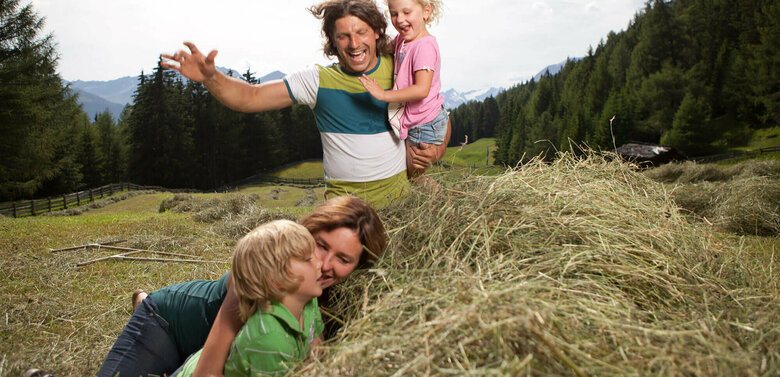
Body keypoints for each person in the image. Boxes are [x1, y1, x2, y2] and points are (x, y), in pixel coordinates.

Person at [161, 0, 451, 208]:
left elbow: (436, 112)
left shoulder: (399, 65)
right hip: (345, 212)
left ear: (377, 32)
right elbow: (250, 98)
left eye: (361, 32)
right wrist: (211, 78)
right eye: (343, 36)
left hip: (400, 204)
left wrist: (437, 148)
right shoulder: (316, 81)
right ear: (333, 42)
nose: (354, 44)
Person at [96, 196, 387, 377]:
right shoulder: (256, 280)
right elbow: (207, 372)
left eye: (344, 259)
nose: (324, 264)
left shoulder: (312, 291)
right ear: (305, 232)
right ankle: (144, 306)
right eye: (320, 245)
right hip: (169, 324)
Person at [172, 220, 324, 377]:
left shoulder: (308, 302)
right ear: (276, 280)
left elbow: (317, 350)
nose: (320, 263)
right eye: (307, 260)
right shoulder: (269, 340)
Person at [358, 0, 447, 182]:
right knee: (412, 174)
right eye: (394, 13)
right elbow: (384, 48)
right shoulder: (403, 40)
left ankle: (442, 204)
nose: (399, 20)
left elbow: (421, 90)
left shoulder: (424, 47)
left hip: (424, 124)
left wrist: (383, 95)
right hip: (419, 119)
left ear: (426, 11)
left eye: (407, 12)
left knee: (413, 176)